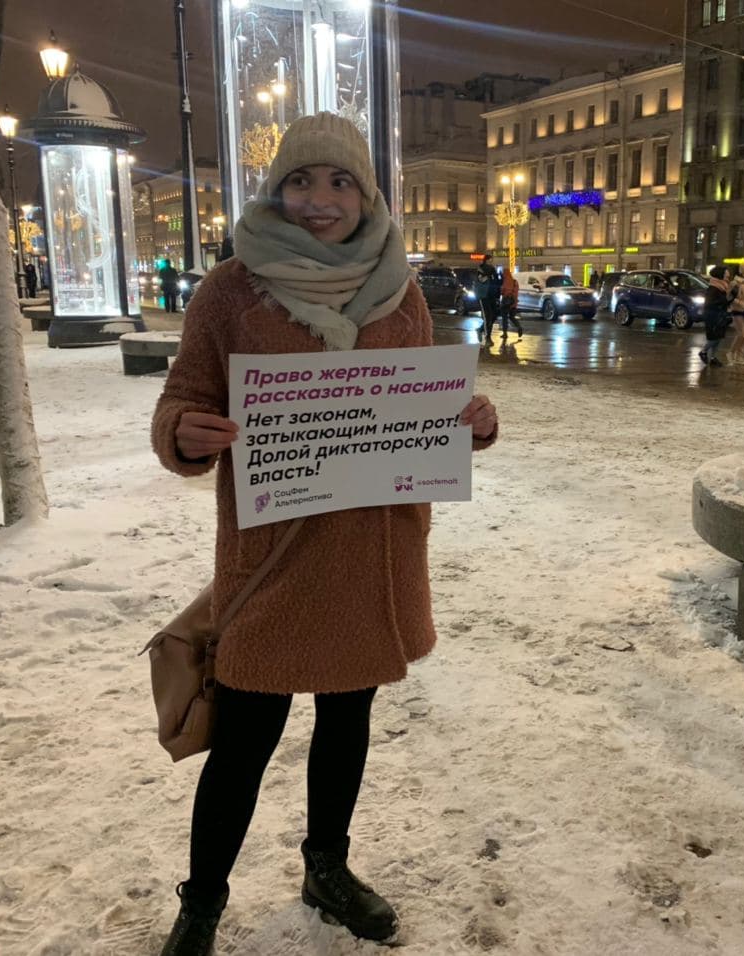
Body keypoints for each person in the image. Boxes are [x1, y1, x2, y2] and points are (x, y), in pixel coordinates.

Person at [151, 112, 499, 953]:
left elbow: (421, 408)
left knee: (347, 724)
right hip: (274, 560)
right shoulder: (231, 290)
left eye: (340, 181)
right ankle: (202, 904)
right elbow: (182, 398)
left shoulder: (399, 290)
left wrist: (470, 424)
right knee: (243, 741)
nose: (320, 199)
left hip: (372, 556)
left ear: (366, 194)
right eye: (301, 181)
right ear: (277, 191)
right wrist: (183, 432)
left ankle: (327, 868)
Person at [697, 264, 731, 367]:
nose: (728, 276)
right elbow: (710, 303)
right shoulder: (714, 288)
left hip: (719, 316)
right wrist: (725, 300)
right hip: (712, 316)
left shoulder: (722, 287)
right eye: (726, 274)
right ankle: (703, 351)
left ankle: (713, 357)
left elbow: (725, 302)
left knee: (718, 338)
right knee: (714, 338)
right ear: (720, 275)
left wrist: (730, 298)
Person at [474, 253, 501, 343]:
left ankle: (481, 330)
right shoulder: (481, 269)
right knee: (487, 316)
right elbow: (481, 280)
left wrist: (499, 279)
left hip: (492, 295)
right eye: (490, 260)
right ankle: (487, 337)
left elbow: (496, 281)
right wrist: (489, 275)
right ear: (486, 260)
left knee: (494, 315)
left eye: (491, 260)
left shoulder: (493, 269)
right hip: (484, 295)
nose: (491, 262)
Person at [498, 265, 523, 339]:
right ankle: (519, 327)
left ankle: (505, 333)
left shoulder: (504, 282)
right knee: (512, 317)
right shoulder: (515, 282)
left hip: (505, 303)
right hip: (514, 303)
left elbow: (502, 292)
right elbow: (517, 292)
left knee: (504, 318)